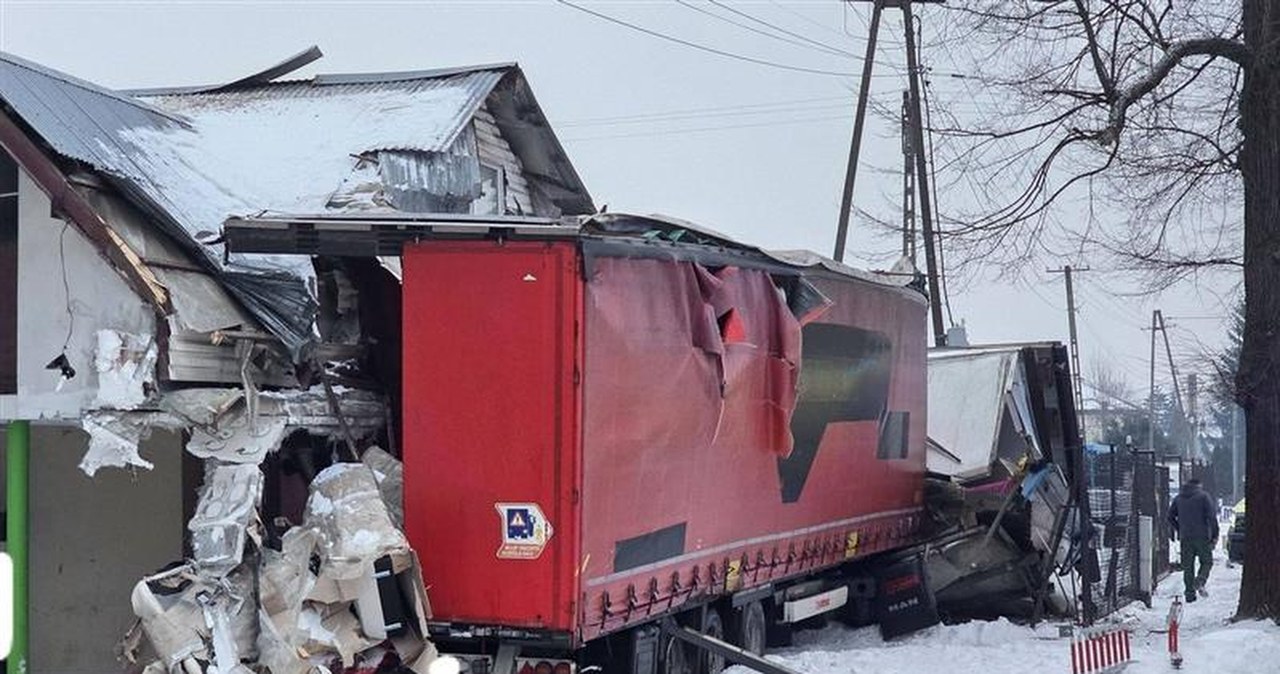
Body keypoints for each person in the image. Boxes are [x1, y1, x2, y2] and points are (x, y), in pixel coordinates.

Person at [1168, 478, 1219, 602]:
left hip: (1185, 537)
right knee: (1207, 562)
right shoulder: (1204, 497)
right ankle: (1200, 580)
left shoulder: (1178, 498)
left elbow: (1170, 516)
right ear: (1198, 485)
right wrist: (1214, 535)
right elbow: (1212, 517)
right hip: (1202, 536)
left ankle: (1190, 594)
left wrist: (1179, 528)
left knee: (1188, 566)